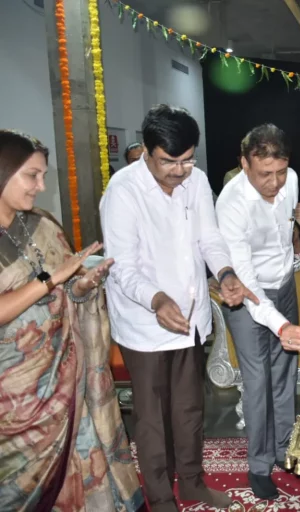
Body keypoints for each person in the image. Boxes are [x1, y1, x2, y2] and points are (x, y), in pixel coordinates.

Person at [101, 105, 257, 512]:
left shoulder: (198, 181)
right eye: (170, 161)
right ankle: (159, 496)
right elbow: (123, 265)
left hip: (190, 316)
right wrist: (156, 299)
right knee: (151, 416)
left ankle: (191, 483)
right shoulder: (122, 191)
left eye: (188, 159)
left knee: (189, 407)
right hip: (144, 320)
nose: (180, 170)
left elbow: (210, 238)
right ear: (148, 152)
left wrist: (224, 273)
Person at [0, 130, 142, 511]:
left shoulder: (41, 224)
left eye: (43, 175)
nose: (41, 187)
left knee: (84, 456)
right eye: (32, 175)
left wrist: (82, 286)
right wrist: (53, 280)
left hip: (66, 374)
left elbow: (65, 292)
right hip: (14, 392)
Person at [215, 124, 300, 500]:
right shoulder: (232, 203)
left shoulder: (292, 180)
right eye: (264, 174)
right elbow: (246, 280)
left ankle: (285, 449)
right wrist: (280, 323)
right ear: (243, 163)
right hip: (247, 295)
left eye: (280, 172)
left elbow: (288, 235)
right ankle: (259, 465)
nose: (274, 183)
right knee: (257, 381)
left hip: (284, 284)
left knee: (285, 372)